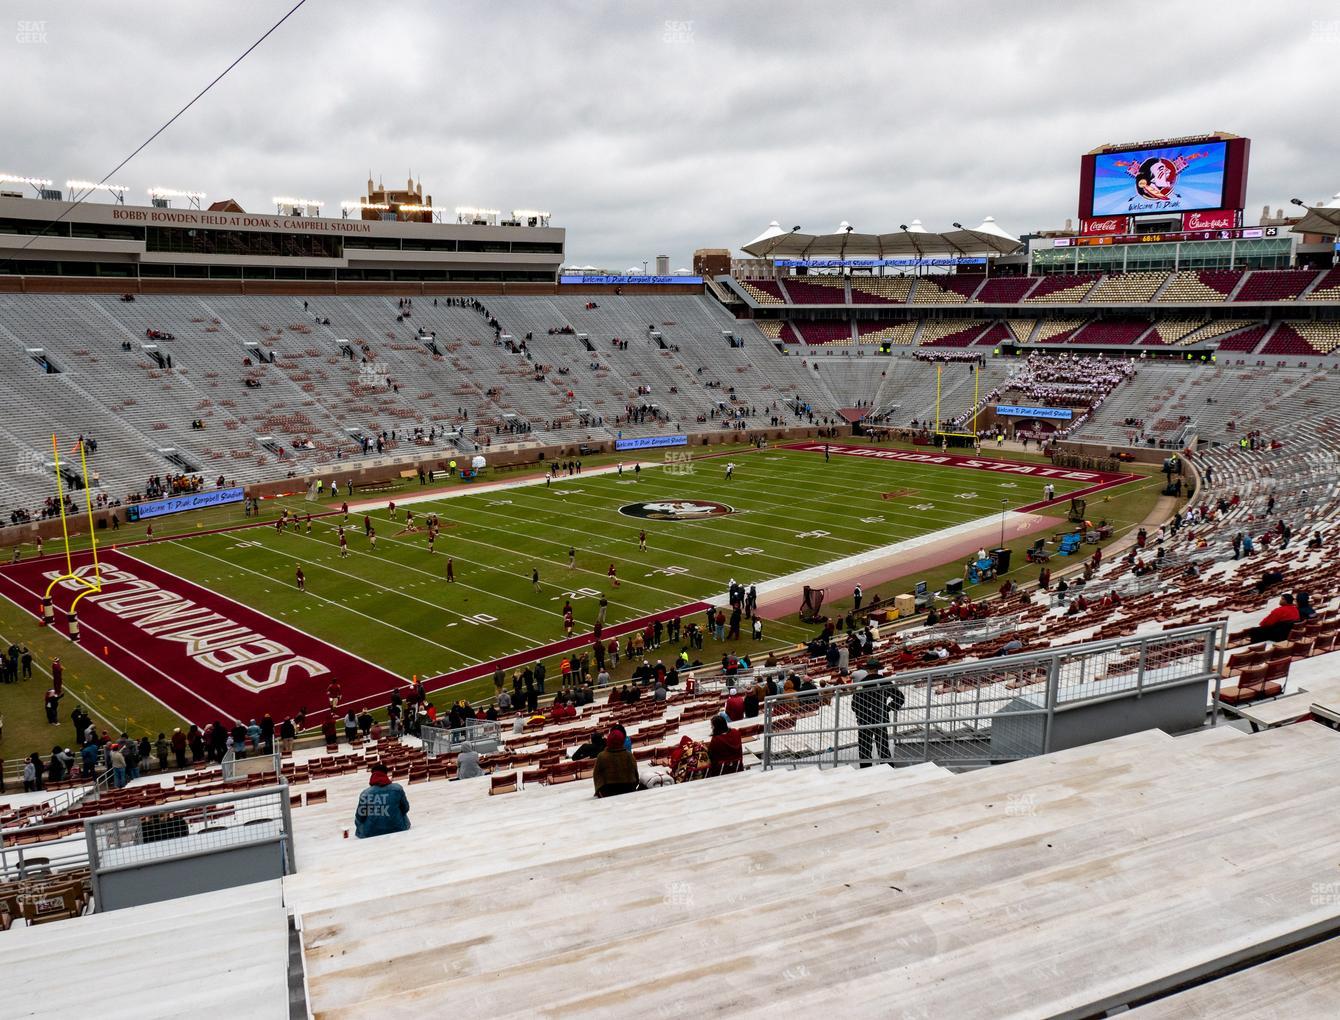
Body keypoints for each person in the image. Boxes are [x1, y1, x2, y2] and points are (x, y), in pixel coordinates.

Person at [851, 658, 895, 768]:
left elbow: (854, 705)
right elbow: (899, 698)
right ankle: (887, 766)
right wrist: (887, 708)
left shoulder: (862, 683)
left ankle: (866, 769)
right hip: (880, 717)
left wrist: (860, 713)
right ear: (878, 669)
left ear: (868, 670)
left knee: (865, 747)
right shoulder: (885, 681)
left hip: (864, 719)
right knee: (883, 745)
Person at [354, 762, 411, 838]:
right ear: (386, 774)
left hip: (371, 832)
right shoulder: (398, 788)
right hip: (398, 827)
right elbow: (405, 808)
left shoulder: (365, 793)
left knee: (358, 819)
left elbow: (360, 817)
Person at [592, 726, 639, 798]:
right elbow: (635, 774)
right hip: (629, 789)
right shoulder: (629, 755)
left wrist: (598, 791)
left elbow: (596, 776)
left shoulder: (601, 756)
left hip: (607, 792)